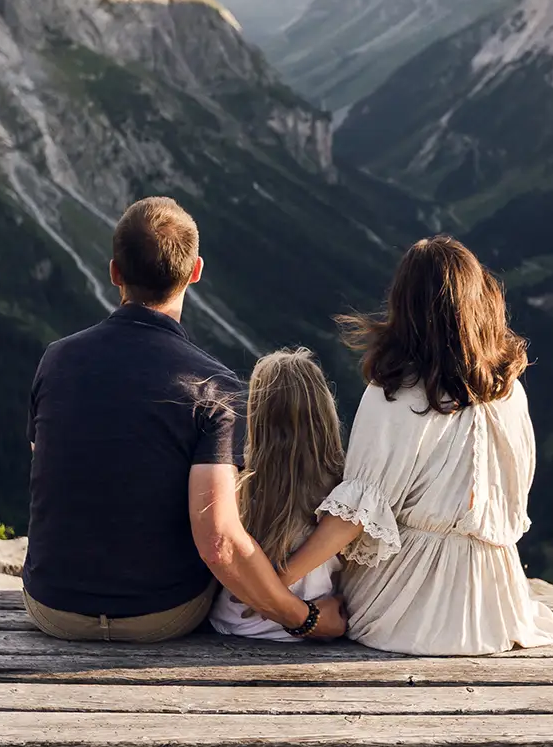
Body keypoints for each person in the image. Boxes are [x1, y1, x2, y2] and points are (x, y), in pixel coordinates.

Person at [23, 196, 344, 643]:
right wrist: (304, 617)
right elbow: (219, 541)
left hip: (52, 606)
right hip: (160, 615)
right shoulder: (213, 384)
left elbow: (52, 471)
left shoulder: (55, 361)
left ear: (115, 272)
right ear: (195, 271)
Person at [279, 235, 553, 656]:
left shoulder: (396, 394)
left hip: (404, 607)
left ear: (405, 307)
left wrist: (275, 581)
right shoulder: (507, 391)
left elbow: (356, 514)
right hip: (495, 607)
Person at [208, 348, 345, 641]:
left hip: (232, 625)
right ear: (325, 410)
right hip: (308, 627)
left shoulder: (234, 484)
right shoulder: (344, 491)